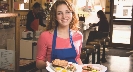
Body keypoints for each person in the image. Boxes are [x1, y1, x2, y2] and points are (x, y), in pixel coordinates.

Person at [36, 0, 83, 69]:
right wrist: (47, 64)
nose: (64, 16)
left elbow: (77, 59)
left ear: (72, 14)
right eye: (59, 13)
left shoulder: (78, 36)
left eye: (67, 12)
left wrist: (84, 68)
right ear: (55, 16)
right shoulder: (45, 36)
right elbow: (38, 63)